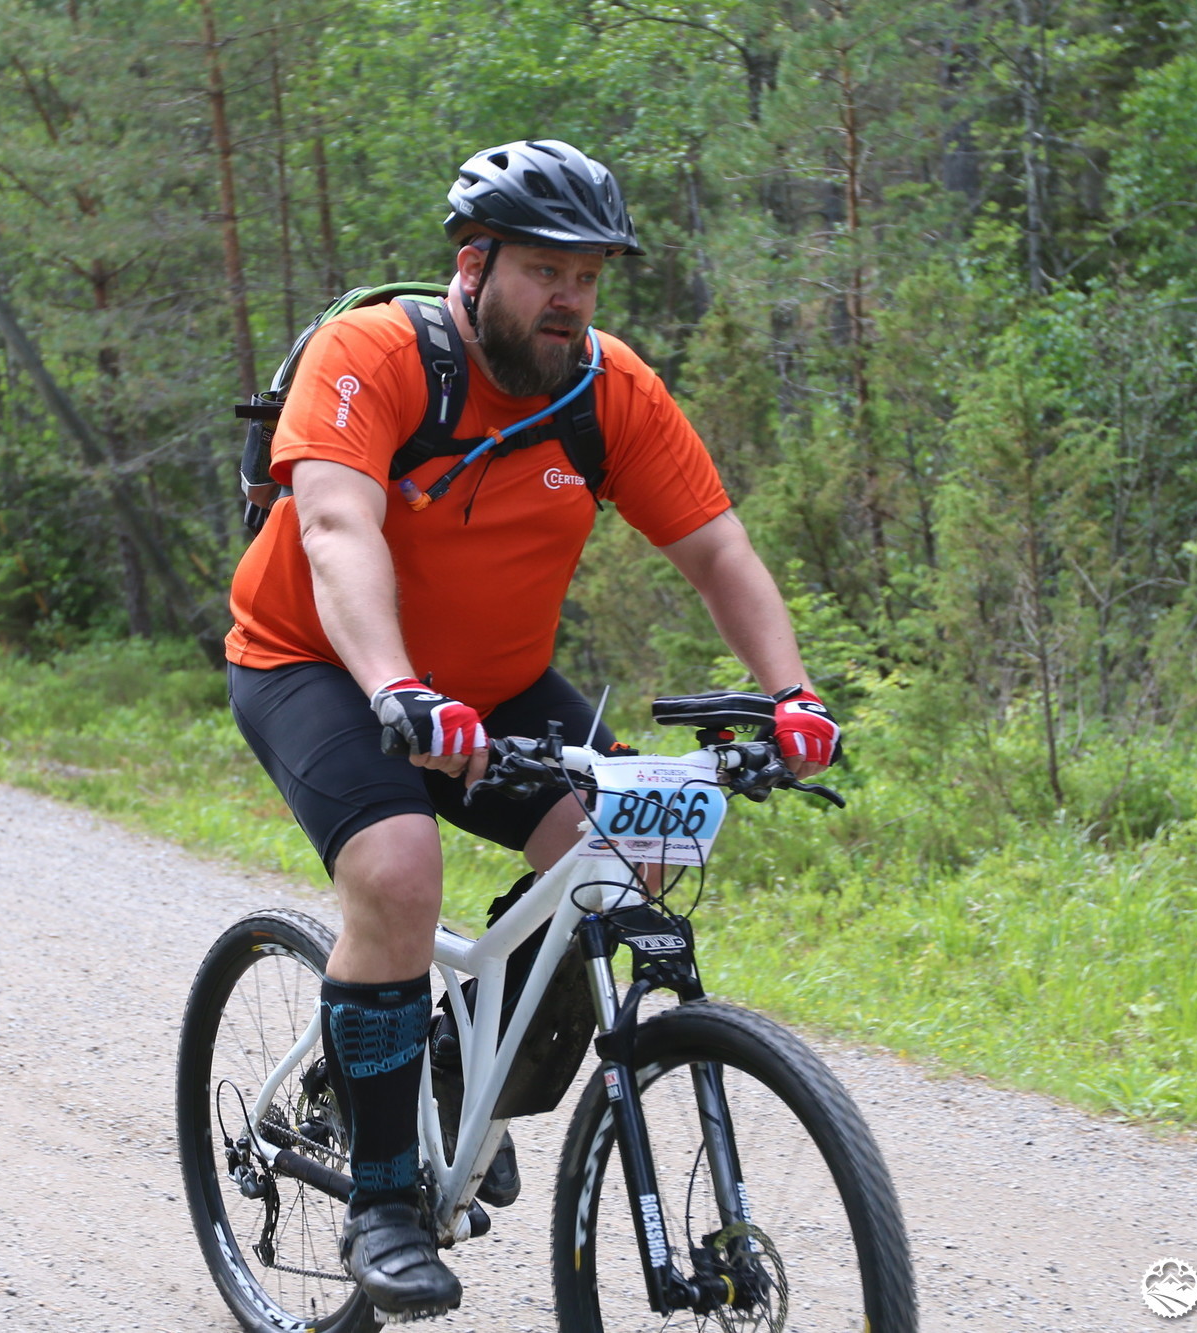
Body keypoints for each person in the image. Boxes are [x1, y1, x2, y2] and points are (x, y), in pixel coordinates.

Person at [223, 138, 839, 1319]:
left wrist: (791, 694)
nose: (569, 298)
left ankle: (456, 1066)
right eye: (545, 271)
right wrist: (397, 689)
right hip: (318, 663)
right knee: (396, 869)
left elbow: (716, 550)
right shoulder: (374, 356)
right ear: (475, 265)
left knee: (637, 849)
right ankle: (382, 1205)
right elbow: (335, 529)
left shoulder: (608, 393)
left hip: (494, 687)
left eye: (587, 276)